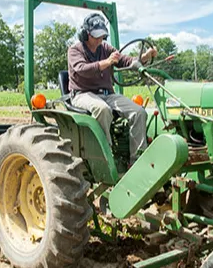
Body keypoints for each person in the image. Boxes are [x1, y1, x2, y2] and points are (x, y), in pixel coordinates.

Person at [67, 13, 157, 162]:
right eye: (96, 36)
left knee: (139, 112)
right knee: (102, 110)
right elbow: (82, 69)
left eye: (102, 36)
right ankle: (105, 157)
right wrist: (107, 62)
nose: (99, 39)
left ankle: (137, 160)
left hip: (107, 94)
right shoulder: (75, 50)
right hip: (82, 94)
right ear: (85, 34)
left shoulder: (105, 48)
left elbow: (126, 61)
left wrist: (146, 56)